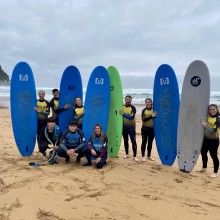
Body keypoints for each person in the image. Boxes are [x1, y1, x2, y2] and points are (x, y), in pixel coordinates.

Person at [199, 104, 220, 178]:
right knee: (203, 153)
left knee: (213, 156)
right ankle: (204, 168)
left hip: (214, 141)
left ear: (216, 109)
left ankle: (215, 172)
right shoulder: (207, 117)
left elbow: (213, 131)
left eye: (213, 109)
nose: (212, 110)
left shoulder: (218, 119)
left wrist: (205, 125)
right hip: (205, 139)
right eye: (210, 109)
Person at [120, 95, 138, 162]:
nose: (128, 101)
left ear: (131, 101)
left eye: (130, 100)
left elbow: (132, 117)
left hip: (131, 128)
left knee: (133, 141)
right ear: (125, 100)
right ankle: (127, 153)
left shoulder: (133, 108)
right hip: (124, 128)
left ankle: (135, 156)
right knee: (125, 141)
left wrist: (123, 114)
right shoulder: (122, 107)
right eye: (127, 99)